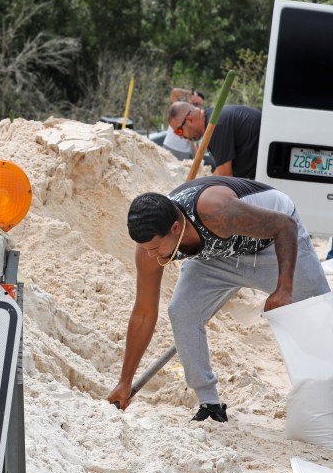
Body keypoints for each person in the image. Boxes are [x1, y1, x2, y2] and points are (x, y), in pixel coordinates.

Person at [108, 176, 330, 421]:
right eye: (146, 248)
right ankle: (209, 404)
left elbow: (285, 226)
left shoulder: (215, 210)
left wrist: (284, 289)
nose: (152, 254)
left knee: (318, 315)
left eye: (156, 247)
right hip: (214, 258)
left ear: (175, 228)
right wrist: (124, 382)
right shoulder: (149, 249)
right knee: (182, 310)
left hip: (271, 244)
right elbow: (143, 314)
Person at [167, 102, 261, 178]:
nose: (180, 136)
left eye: (179, 131)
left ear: (190, 120)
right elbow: (221, 169)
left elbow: (225, 176)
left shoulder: (216, 125)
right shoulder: (212, 120)